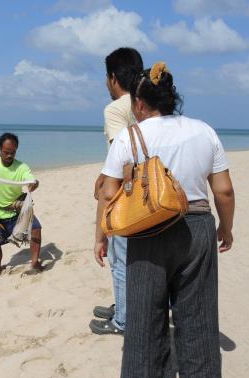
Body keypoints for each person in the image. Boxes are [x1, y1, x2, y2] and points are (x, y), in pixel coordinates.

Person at [94, 62, 235, 378]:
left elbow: (107, 192)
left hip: (148, 229)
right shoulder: (205, 131)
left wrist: (101, 235)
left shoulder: (131, 136)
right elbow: (225, 191)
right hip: (199, 226)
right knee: (198, 309)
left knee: (145, 309)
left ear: (140, 105)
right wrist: (226, 227)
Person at [90, 47, 143, 336]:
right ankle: (126, 306)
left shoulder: (115, 109)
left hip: (128, 195)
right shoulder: (145, 103)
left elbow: (121, 155)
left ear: (112, 77)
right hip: (154, 192)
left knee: (119, 259)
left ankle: (122, 319)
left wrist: (106, 184)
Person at [0, 133, 42, 279]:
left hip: (18, 212)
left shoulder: (21, 167)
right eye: (6, 152)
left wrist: (34, 184)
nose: (9, 155)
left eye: (13, 152)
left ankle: (34, 262)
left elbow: (32, 180)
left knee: (36, 228)